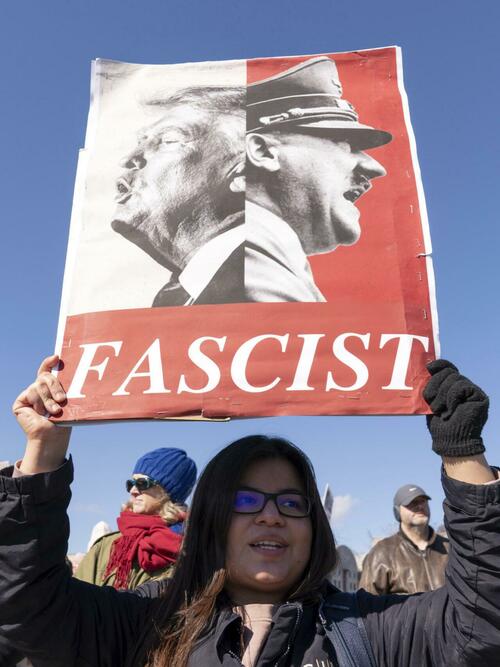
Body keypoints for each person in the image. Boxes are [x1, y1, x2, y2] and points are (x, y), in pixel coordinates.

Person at [1, 356, 499, 666]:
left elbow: (481, 624)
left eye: (291, 503)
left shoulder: (369, 630)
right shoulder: (147, 621)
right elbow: (28, 608)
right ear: (212, 519)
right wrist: (44, 450)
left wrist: (463, 454)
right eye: (245, 500)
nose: (270, 516)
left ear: (314, 527)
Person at [245, 56, 392, 302]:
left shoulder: (272, 258)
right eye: (344, 143)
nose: (375, 167)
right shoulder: (251, 262)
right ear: (264, 152)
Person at [112, 86, 246, 306]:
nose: (128, 159)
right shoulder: (181, 296)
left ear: (243, 175)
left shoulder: (259, 283)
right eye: (140, 142)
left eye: (169, 141)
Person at [74, 447, 196, 589]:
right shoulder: (106, 546)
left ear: (168, 491)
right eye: (131, 483)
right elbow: (74, 598)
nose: (133, 490)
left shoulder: (189, 551)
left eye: (142, 483)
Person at [359, 483, 449, 595]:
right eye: (412, 503)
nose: (420, 506)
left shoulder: (450, 549)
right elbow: (366, 602)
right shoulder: (381, 553)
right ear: (397, 512)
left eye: (423, 501)